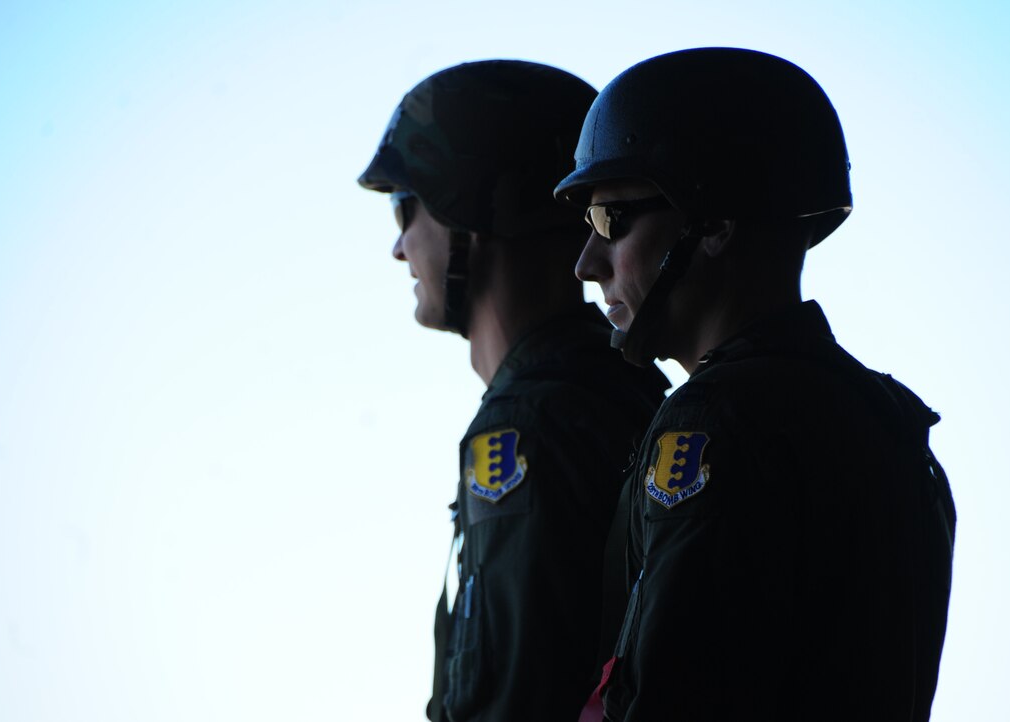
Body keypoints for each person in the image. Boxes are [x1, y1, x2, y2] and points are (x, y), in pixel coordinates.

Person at [554, 48, 956, 721]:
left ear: (713, 222)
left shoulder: (715, 424)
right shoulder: (887, 422)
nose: (587, 263)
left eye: (610, 221)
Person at [358, 60, 670, 722]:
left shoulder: (528, 425)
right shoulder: (629, 390)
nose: (398, 245)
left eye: (405, 206)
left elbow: (512, 698)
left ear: (464, 212)